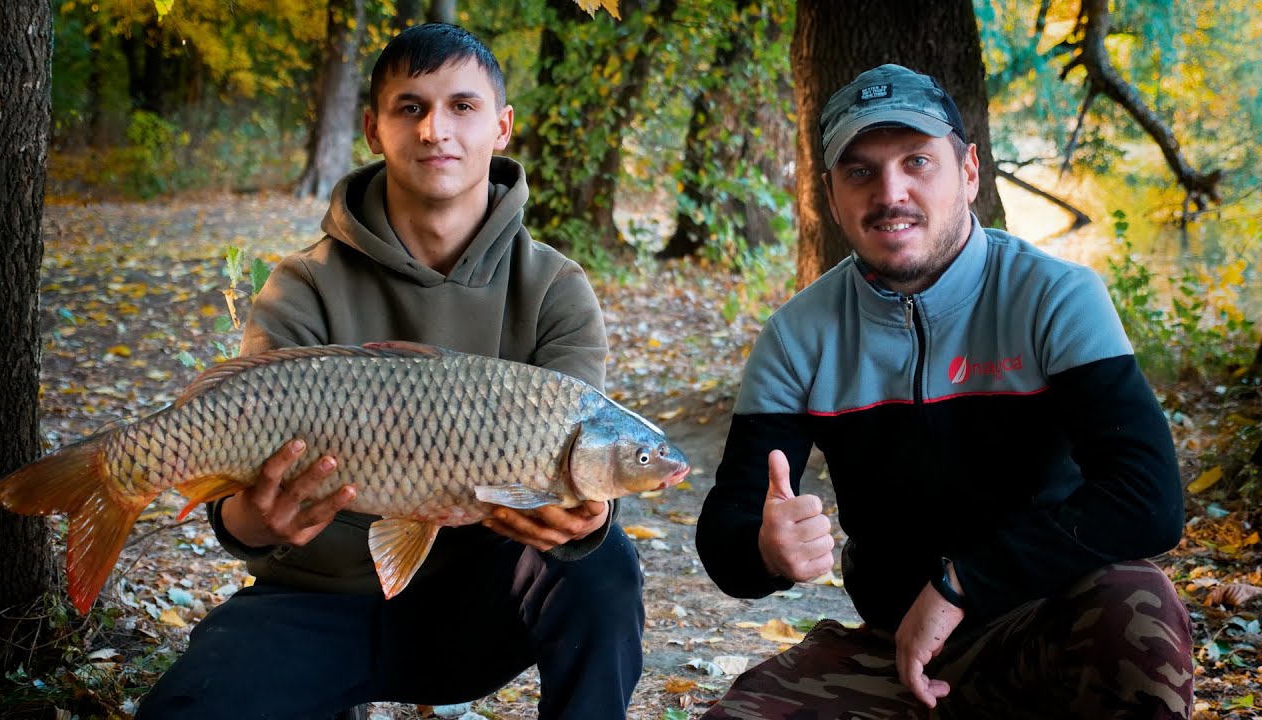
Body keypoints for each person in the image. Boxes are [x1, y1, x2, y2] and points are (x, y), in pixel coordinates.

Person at [137, 23, 644, 720]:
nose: (437, 129)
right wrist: (260, 520)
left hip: (474, 607)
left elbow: (580, 468)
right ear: (374, 129)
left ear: (501, 127)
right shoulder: (303, 285)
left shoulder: (555, 288)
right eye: (411, 107)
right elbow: (236, 512)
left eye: (462, 106)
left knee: (605, 564)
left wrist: (584, 525)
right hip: (312, 602)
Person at [696, 64, 1193, 719]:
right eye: (861, 171)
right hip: (890, 650)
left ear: (968, 171)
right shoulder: (798, 336)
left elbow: (1149, 499)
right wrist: (765, 549)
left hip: (1049, 625)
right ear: (829, 194)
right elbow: (726, 528)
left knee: (1138, 606)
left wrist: (962, 584)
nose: (890, 191)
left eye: (918, 161)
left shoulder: (1054, 298)